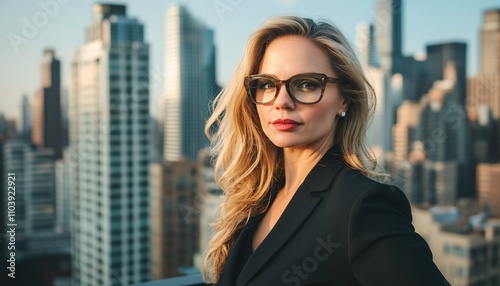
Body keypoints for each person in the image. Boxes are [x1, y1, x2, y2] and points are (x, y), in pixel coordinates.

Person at [203, 16, 449, 286]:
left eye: (307, 84)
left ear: (344, 99)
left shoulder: (362, 207)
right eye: (267, 84)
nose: (282, 102)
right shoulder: (257, 198)